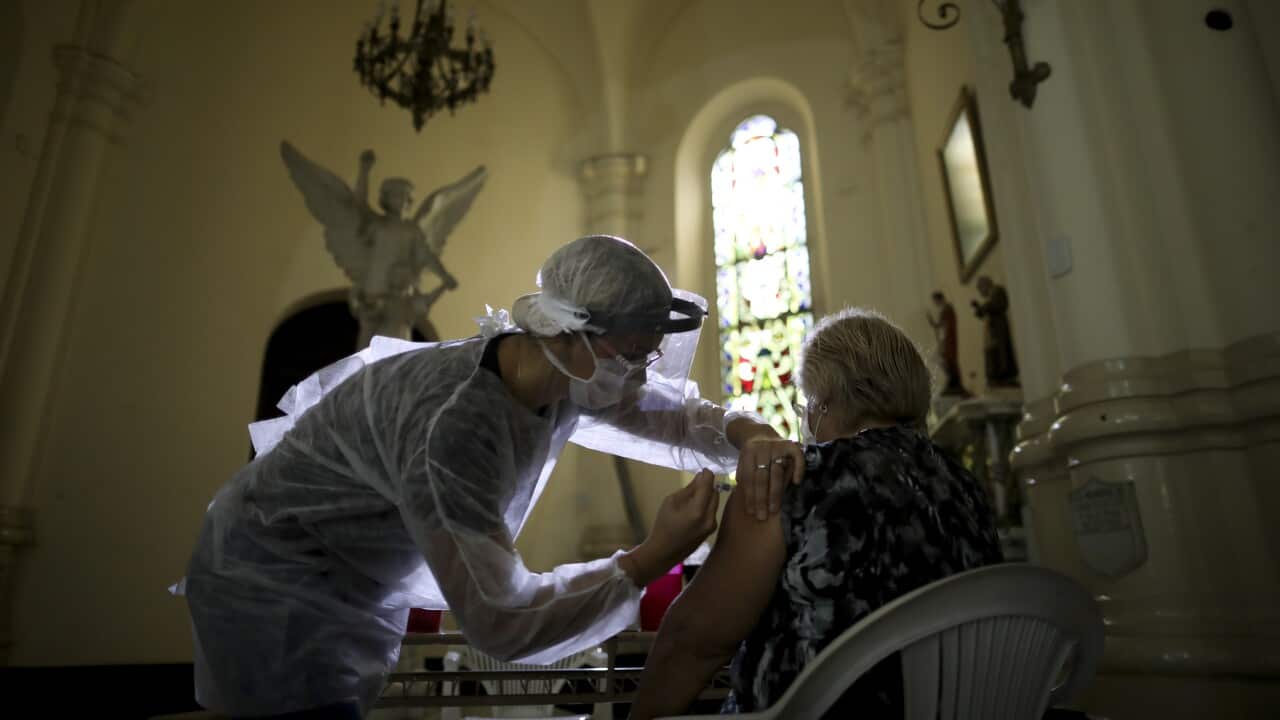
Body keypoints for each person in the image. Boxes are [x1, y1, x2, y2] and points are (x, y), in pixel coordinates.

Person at [173, 235, 803, 719]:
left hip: (348, 582)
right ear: (575, 334)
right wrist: (650, 557)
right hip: (274, 580)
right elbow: (501, 620)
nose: (642, 372)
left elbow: (662, 414)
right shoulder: (454, 428)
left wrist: (747, 433)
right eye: (633, 354)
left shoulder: (556, 374)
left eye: (650, 355)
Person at [629, 308, 1002, 720]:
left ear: (822, 405)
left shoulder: (793, 478)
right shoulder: (968, 490)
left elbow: (693, 643)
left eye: (806, 404)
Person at [971, 276, 1020, 387]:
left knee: (1001, 354)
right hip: (993, 332)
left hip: (999, 329)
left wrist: (983, 307)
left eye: (980, 289)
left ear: (986, 285)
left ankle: (1004, 376)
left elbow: (998, 305)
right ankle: (997, 377)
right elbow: (983, 312)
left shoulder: (997, 291)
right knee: (993, 355)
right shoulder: (991, 297)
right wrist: (979, 308)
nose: (980, 292)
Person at [927, 291, 967, 396]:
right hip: (945, 339)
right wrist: (932, 322)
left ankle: (954, 381)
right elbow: (939, 324)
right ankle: (951, 379)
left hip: (949, 340)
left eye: (935, 301)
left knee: (948, 360)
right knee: (939, 358)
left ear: (940, 299)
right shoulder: (945, 310)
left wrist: (944, 340)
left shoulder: (948, 309)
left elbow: (947, 326)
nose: (935, 303)